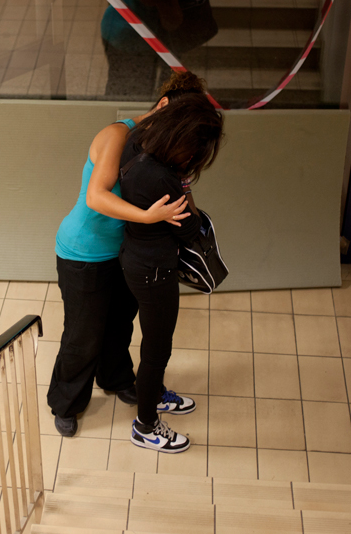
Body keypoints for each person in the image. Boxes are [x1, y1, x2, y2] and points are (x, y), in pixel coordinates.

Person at [48, 73, 208, 437]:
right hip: (84, 252)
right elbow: (97, 196)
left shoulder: (159, 146)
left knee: (120, 323)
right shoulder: (117, 135)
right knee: (82, 334)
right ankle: (66, 402)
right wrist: (149, 217)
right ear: (163, 105)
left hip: (123, 253)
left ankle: (116, 379)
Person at [119, 92, 224, 453]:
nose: (195, 160)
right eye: (195, 152)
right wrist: (185, 185)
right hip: (154, 271)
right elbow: (189, 231)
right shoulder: (162, 177)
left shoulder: (137, 141)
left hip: (134, 254)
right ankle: (146, 425)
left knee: (153, 344)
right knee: (156, 349)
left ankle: (156, 395)